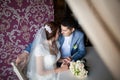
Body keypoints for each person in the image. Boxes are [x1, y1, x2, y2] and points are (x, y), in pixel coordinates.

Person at [16, 17, 86, 69]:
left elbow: (82, 51)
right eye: (61, 29)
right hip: (56, 62)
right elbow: (37, 42)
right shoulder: (57, 35)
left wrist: (71, 59)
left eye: (64, 30)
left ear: (72, 29)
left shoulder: (79, 35)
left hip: (71, 61)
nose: (61, 32)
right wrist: (25, 53)